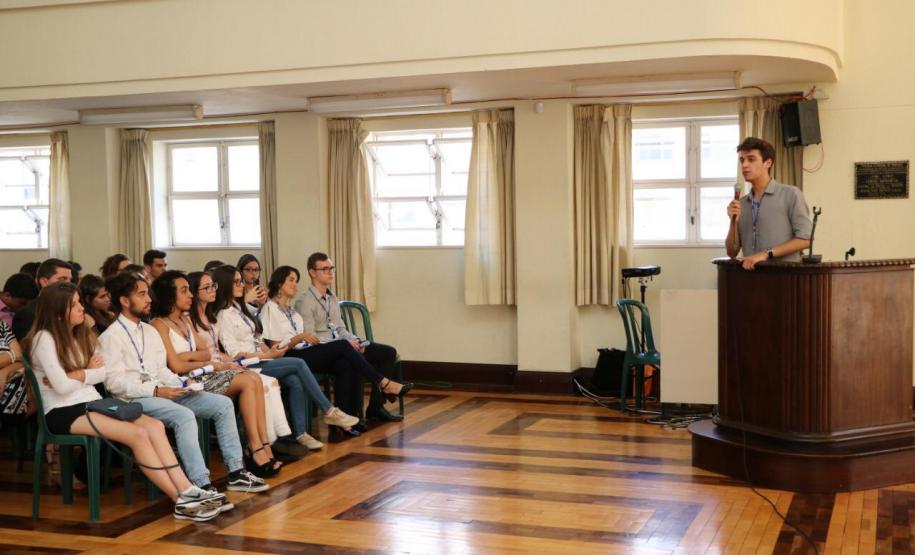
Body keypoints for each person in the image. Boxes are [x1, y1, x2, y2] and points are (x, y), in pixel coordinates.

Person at [22, 282, 224, 522]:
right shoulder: (44, 339)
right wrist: (85, 373)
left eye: (79, 302)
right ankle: (179, 501)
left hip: (92, 402)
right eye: (74, 304)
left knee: (154, 426)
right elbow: (63, 388)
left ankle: (187, 489)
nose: (81, 308)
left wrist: (77, 374)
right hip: (63, 411)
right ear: (57, 310)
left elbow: (101, 374)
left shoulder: (78, 334)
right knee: (137, 434)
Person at [99, 272, 268, 501]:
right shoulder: (111, 336)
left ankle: (236, 472)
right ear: (125, 301)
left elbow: (161, 369)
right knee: (184, 415)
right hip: (136, 399)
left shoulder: (148, 331)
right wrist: (155, 390)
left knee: (223, 404)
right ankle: (201, 483)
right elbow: (114, 384)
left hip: (163, 390)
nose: (149, 299)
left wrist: (182, 383)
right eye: (142, 294)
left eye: (148, 293)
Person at [150, 271, 282, 477]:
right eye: (184, 291)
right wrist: (200, 361)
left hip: (203, 372)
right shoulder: (159, 324)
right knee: (248, 381)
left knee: (254, 378)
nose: (190, 295)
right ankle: (254, 448)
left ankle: (264, 445)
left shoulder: (184, 320)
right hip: (188, 380)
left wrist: (190, 357)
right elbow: (175, 365)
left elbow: (205, 351)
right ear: (169, 295)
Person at [209, 265, 358, 446]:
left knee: (295, 380)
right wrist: (266, 355)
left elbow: (257, 339)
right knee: (298, 363)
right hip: (247, 364)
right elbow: (235, 354)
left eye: (241, 281)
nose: (242, 285)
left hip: (261, 357)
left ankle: (300, 434)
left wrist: (271, 353)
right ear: (225, 284)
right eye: (237, 282)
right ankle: (329, 411)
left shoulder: (240, 310)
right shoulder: (224, 314)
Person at [263, 265, 411, 426]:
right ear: (279, 283)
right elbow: (276, 348)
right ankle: (383, 383)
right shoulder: (270, 308)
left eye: (296, 281)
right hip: (290, 356)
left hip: (304, 349)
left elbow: (336, 329)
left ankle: (346, 420)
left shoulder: (291, 310)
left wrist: (306, 339)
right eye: (291, 280)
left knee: (345, 363)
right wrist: (300, 337)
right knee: (343, 346)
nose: (295, 285)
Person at [187, 271, 308, 458]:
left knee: (281, 380)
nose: (212, 290)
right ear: (195, 292)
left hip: (235, 362)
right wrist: (235, 360)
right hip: (211, 370)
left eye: (213, 286)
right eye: (207, 287)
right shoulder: (198, 318)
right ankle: (260, 444)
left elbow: (220, 351)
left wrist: (234, 360)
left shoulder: (210, 316)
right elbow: (208, 354)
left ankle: (275, 439)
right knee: (269, 377)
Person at [726, 137, 812, 270]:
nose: (744, 165)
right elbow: (732, 252)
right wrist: (733, 222)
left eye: (751, 159)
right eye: (742, 160)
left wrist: (766, 254)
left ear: (768, 163)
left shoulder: (791, 194)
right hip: (750, 277)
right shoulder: (741, 204)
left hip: (785, 275)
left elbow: (806, 240)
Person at [13, 259, 73, 341]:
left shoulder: (71, 308)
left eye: (70, 280)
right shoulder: (27, 314)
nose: (69, 284)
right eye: (62, 279)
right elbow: (27, 346)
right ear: (44, 282)